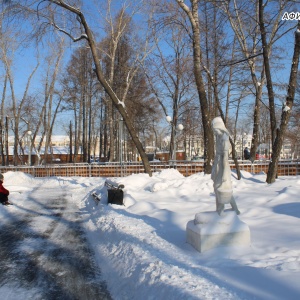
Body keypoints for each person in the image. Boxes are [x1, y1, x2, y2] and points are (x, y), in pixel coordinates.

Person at [211, 117, 240, 216]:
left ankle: (221, 211)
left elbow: (225, 159)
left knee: (221, 188)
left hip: (223, 167)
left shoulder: (224, 140)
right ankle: (233, 209)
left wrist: (224, 174)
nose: (214, 132)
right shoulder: (219, 137)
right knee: (221, 188)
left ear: (219, 128)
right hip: (219, 165)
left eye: (215, 130)